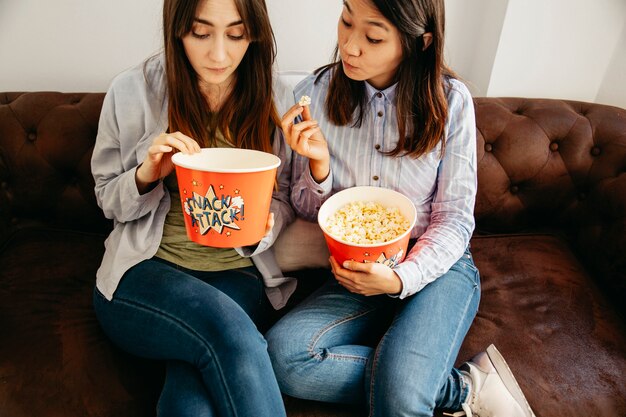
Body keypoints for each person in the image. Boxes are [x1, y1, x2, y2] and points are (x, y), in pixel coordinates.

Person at [266, 0, 536, 416]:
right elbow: (303, 208)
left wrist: (399, 279)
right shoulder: (314, 94)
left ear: (419, 42)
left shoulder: (452, 101)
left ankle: (409, 380)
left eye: (373, 37)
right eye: (346, 20)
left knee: (401, 397)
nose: (350, 46)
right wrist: (319, 166)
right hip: (354, 272)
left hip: (436, 268)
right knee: (284, 357)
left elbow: (454, 219)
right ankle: (460, 388)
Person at [90, 0, 294, 416]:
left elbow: (285, 197)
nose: (219, 54)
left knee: (191, 406)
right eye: (201, 33)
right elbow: (108, 199)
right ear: (177, 28)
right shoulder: (133, 91)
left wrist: (262, 229)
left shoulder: (276, 94)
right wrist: (146, 174)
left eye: (236, 34)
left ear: (254, 32)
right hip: (145, 273)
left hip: (235, 274)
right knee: (231, 334)